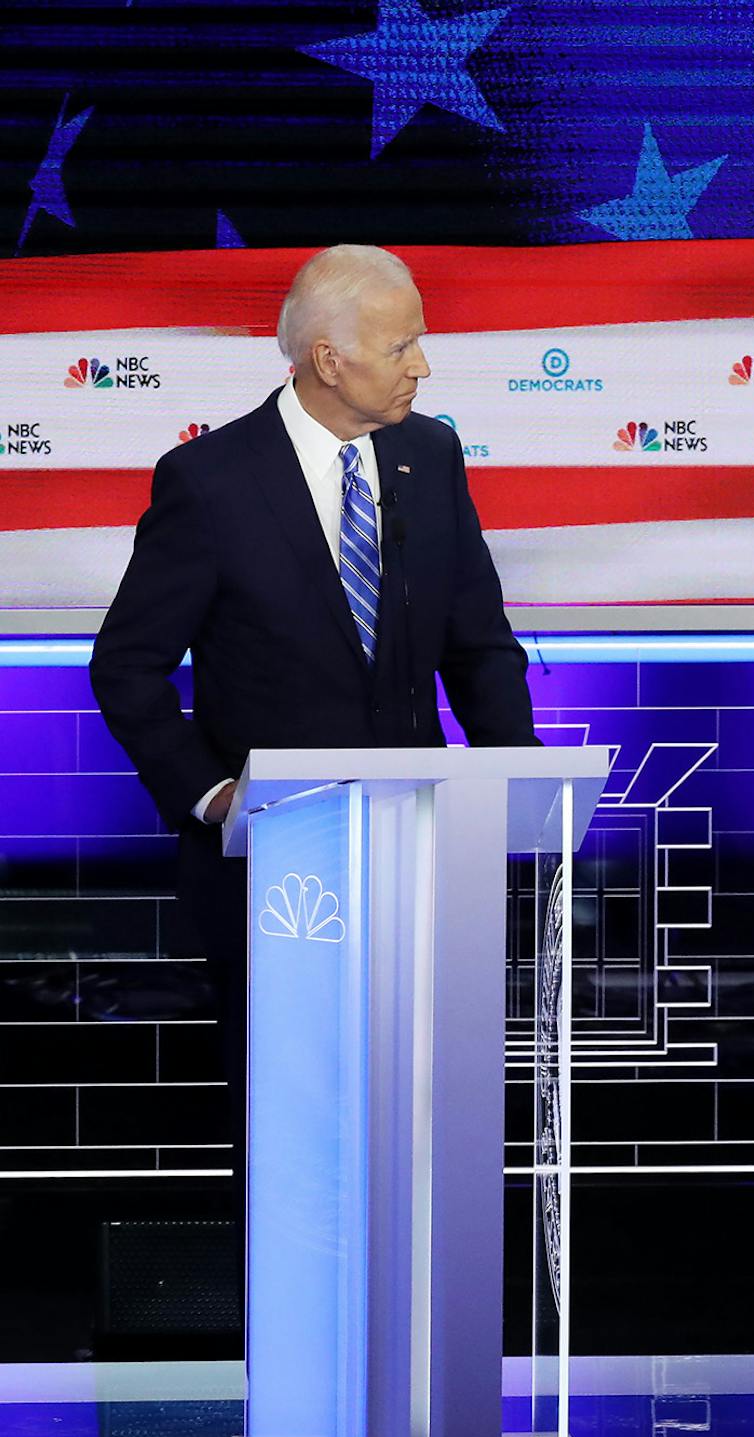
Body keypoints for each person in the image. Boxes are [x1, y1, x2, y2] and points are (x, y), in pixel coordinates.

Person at [88, 243, 538, 1261]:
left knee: (416, 1121)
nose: (423, 365)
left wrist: (516, 775)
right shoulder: (210, 480)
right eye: (402, 344)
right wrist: (210, 795)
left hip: (422, 859)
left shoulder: (431, 456)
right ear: (327, 358)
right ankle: (297, 1363)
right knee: (294, 1126)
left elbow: (477, 640)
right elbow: (127, 667)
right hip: (275, 870)